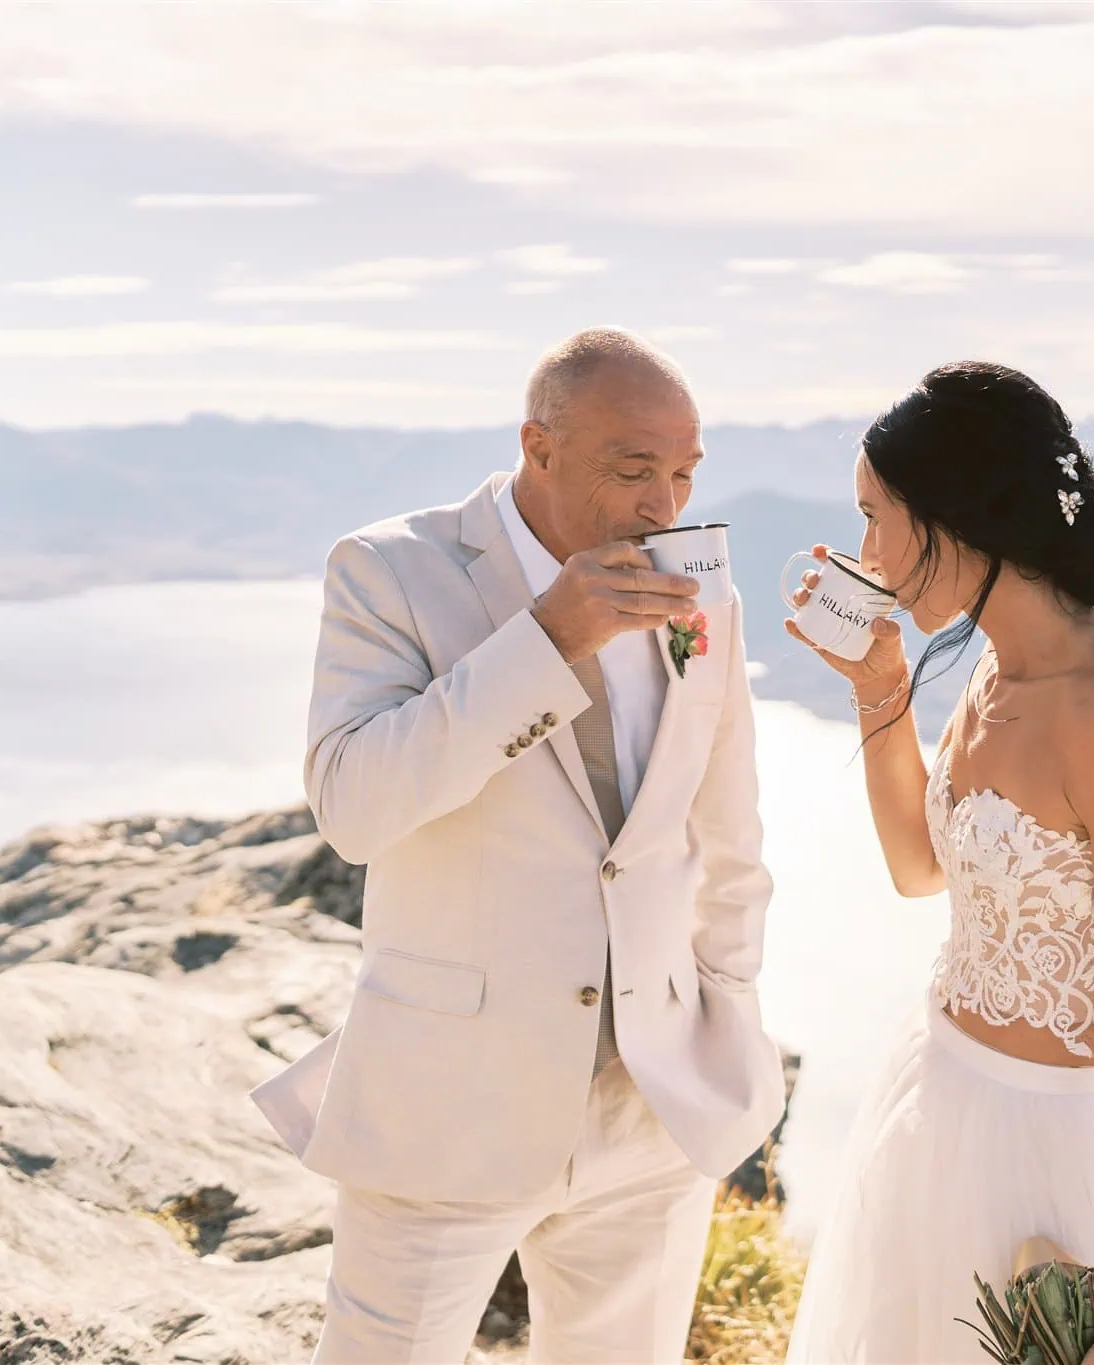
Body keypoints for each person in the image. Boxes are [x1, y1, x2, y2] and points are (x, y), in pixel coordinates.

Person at [250, 328, 787, 1364]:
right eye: (633, 470)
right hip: (446, 1108)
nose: (664, 506)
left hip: (651, 1107)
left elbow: (729, 828)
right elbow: (353, 806)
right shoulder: (389, 570)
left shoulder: (701, 587)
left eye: (683, 473)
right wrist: (545, 642)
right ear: (538, 446)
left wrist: (727, 1009)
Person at [782, 362, 1094, 1364]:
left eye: (875, 517)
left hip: (1055, 1164)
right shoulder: (997, 664)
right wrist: (878, 688)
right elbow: (919, 869)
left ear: (956, 515)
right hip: (934, 1098)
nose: (865, 553)